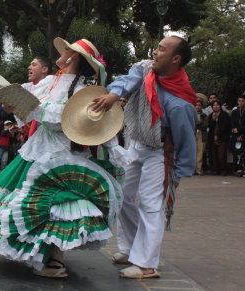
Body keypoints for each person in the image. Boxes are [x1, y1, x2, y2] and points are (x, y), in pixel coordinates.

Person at [0, 37, 127, 278]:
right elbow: (26, 98)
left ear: (73, 56)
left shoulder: (82, 90)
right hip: (38, 148)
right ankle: (38, 252)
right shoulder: (50, 83)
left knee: (58, 203)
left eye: (67, 50)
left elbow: (66, 117)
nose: (62, 53)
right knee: (36, 203)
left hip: (62, 154)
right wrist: (13, 104)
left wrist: (33, 108)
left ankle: (56, 259)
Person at [93, 36, 197, 279]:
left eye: (162, 49)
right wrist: (112, 94)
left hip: (160, 153)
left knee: (151, 205)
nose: (156, 51)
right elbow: (128, 81)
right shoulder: (145, 69)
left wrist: (177, 175)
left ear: (176, 59)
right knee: (123, 196)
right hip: (136, 143)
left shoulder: (180, 103)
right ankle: (130, 250)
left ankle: (147, 263)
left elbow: (186, 143)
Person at [230, 96, 245, 176]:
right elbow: (232, 123)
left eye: (242, 101)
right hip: (236, 134)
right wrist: (236, 132)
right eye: (239, 101)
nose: (241, 102)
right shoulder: (235, 112)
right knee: (237, 151)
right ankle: (238, 168)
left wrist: (240, 131)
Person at [208, 100, 231, 175]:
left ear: (220, 106)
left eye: (217, 105)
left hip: (222, 137)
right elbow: (210, 126)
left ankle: (223, 170)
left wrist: (217, 135)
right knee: (214, 154)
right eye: (214, 105)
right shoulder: (211, 115)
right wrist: (213, 119)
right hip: (212, 137)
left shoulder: (224, 115)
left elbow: (225, 126)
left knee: (221, 154)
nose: (216, 107)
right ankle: (215, 170)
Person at [195, 94, 209, 175]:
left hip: (201, 134)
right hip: (193, 134)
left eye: (199, 105)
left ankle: (199, 170)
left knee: (200, 153)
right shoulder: (191, 114)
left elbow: (205, 125)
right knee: (193, 152)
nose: (198, 107)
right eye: (196, 105)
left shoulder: (204, 115)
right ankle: (192, 169)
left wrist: (197, 124)